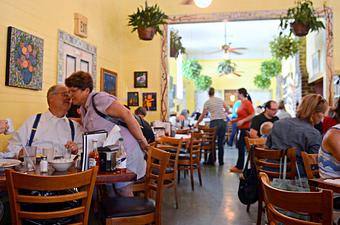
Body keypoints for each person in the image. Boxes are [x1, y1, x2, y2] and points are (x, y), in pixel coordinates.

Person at [65, 71, 147, 196]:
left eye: (73, 91)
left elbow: (127, 114)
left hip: (125, 150)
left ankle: (128, 215)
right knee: (109, 191)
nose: (70, 95)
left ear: (86, 90)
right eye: (68, 91)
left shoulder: (99, 99)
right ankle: (113, 215)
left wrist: (142, 141)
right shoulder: (83, 108)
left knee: (123, 190)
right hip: (110, 156)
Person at [7, 85, 82, 157]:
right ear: (51, 98)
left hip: (66, 169)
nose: (69, 97)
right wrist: (20, 153)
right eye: (64, 94)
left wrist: (76, 151)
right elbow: (12, 146)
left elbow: (84, 151)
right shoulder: (33, 122)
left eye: (69, 95)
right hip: (34, 168)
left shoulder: (75, 127)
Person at [266, 94, 328, 177]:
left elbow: (267, 148)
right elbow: (315, 165)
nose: (324, 116)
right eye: (323, 113)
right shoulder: (313, 133)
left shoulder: (278, 123)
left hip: (268, 178)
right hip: (296, 183)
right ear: (314, 113)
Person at [195, 87, 228, 166]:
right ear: (214, 92)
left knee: (212, 142)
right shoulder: (220, 100)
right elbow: (227, 109)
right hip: (223, 122)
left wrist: (197, 123)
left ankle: (212, 160)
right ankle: (221, 161)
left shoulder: (207, 102)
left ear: (208, 93)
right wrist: (222, 113)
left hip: (214, 123)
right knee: (220, 143)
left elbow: (203, 115)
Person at [230, 88, 255, 173]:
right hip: (240, 128)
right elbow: (241, 116)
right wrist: (233, 121)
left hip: (245, 128)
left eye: (237, 93)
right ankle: (239, 165)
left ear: (241, 94)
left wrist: (243, 121)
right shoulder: (241, 103)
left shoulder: (247, 103)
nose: (236, 95)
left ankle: (239, 167)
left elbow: (252, 114)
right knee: (240, 146)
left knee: (241, 147)